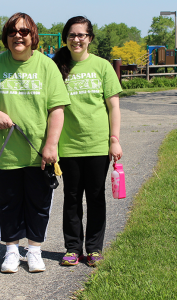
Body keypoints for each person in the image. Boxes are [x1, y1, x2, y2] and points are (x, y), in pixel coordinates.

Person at [0, 12, 70, 273]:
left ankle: (35, 250)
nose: (19, 35)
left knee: (39, 204)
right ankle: (12, 251)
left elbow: (57, 108)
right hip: (6, 154)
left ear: (33, 36)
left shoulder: (47, 66)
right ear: (6, 36)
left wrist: (51, 145)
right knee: (8, 204)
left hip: (39, 152)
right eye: (13, 31)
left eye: (25, 31)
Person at [53, 16, 123, 267]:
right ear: (66, 39)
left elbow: (113, 106)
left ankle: (94, 249)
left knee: (95, 196)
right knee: (71, 197)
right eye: (72, 35)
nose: (77, 39)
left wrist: (114, 139)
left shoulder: (102, 66)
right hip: (68, 146)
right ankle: (73, 248)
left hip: (96, 144)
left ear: (90, 38)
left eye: (82, 35)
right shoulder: (57, 67)